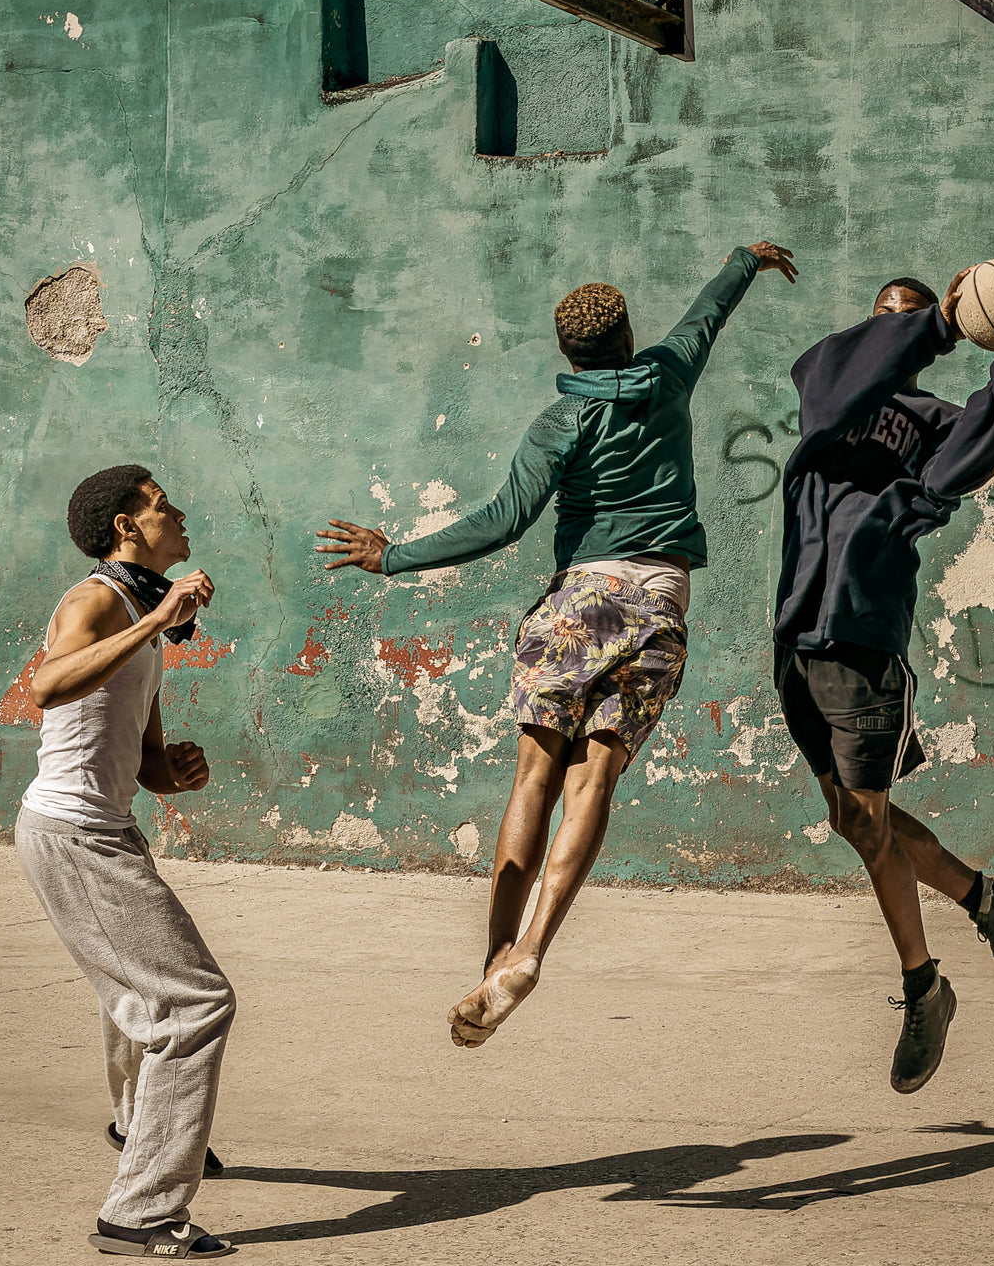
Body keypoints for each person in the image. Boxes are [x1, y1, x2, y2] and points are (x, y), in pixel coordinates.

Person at [318, 240, 798, 1048]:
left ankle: (494, 955)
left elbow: (502, 521)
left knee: (534, 776)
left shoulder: (560, 422)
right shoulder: (671, 373)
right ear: (627, 335)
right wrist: (743, 259)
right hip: (658, 601)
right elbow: (705, 315)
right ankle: (533, 951)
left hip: (580, 600)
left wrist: (392, 555)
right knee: (595, 780)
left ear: (566, 351)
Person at [773, 272, 994, 1093]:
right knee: (855, 817)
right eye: (890, 320)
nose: (901, 330)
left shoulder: (932, 427)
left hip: (864, 636)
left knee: (865, 822)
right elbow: (829, 370)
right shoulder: (830, 387)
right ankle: (992, 901)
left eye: (914, 316)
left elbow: (982, 441)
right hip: (796, 635)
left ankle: (925, 984)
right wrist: (935, 323)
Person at [15, 464, 235, 1259]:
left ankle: (141, 1125)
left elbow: (143, 761)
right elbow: (46, 685)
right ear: (125, 528)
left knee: (139, 991)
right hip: (73, 834)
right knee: (195, 1001)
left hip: (99, 826)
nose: (178, 512)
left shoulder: (137, 607)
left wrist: (174, 768)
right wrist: (156, 621)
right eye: (160, 505)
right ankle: (140, 1211)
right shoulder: (97, 600)